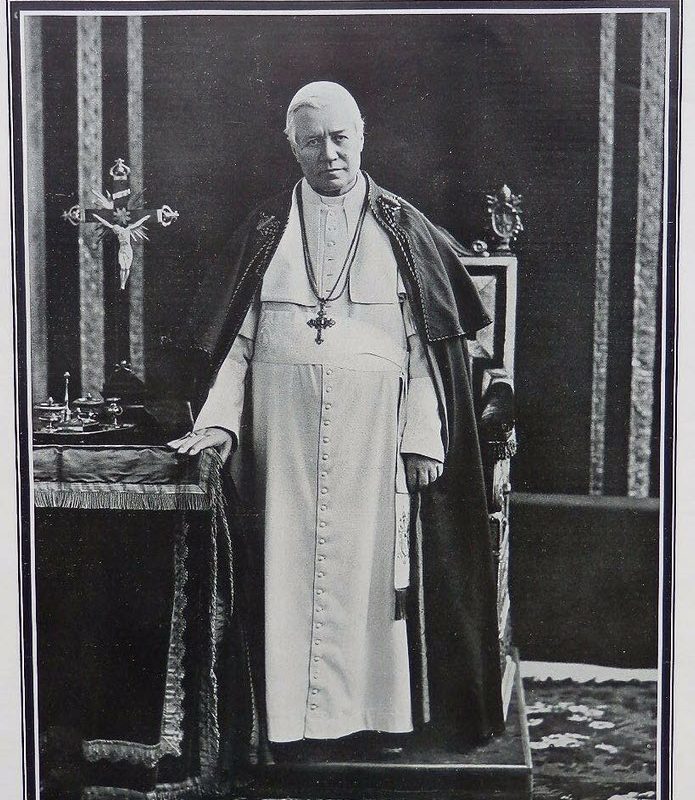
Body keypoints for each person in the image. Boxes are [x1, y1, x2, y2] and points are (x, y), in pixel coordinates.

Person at [169, 81, 504, 760]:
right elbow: (236, 345)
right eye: (312, 141)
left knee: (369, 582)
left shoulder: (404, 229)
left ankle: (376, 719)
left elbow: (429, 352)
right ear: (291, 146)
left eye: (340, 137)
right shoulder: (264, 229)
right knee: (287, 575)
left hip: (374, 444)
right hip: (282, 441)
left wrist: (422, 435)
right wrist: (219, 423)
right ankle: (287, 724)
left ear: (362, 135)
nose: (329, 154)